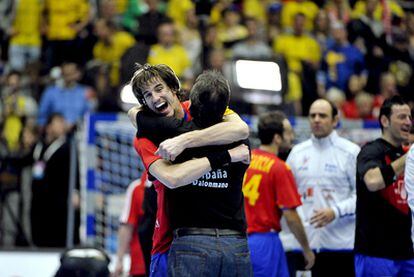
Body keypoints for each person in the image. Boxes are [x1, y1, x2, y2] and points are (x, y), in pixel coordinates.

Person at [128, 64, 250, 276]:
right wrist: (226, 156)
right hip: (169, 240)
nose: (155, 97)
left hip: (217, 239)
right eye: (147, 95)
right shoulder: (146, 136)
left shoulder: (201, 107)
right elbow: (172, 178)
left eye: (159, 88)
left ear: (174, 88)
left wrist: (184, 141)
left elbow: (241, 128)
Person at [281, 99, 360, 276]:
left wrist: (335, 211)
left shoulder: (350, 152)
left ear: (335, 120)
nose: (316, 120)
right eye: (312, 116)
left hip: (340, 248)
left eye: (322, 116)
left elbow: (362, 197)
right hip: (303, 248)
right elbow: (286, 198)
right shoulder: (296, 153)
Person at [243, 111, 315, 277]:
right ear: (277, 138)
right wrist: (306, 248)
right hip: (265, 242)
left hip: (239, 240)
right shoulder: (279, 168)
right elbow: (291, 216)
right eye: (288, 132)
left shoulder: (245, 160)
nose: (292, 136)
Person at [355, 95, 413, 276]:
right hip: (376, 252)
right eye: (402, 117)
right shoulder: (371, 150)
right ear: (385, 121)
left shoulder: (408, 153)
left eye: (410, 117)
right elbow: (373, 182)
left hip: (408, 252)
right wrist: (409, 157)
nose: (408, 122)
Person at [113, 172, 148, 277]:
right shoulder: (137, 188)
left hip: (168, 260)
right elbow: (127, 225)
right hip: (141, 263)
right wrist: (119, 260)